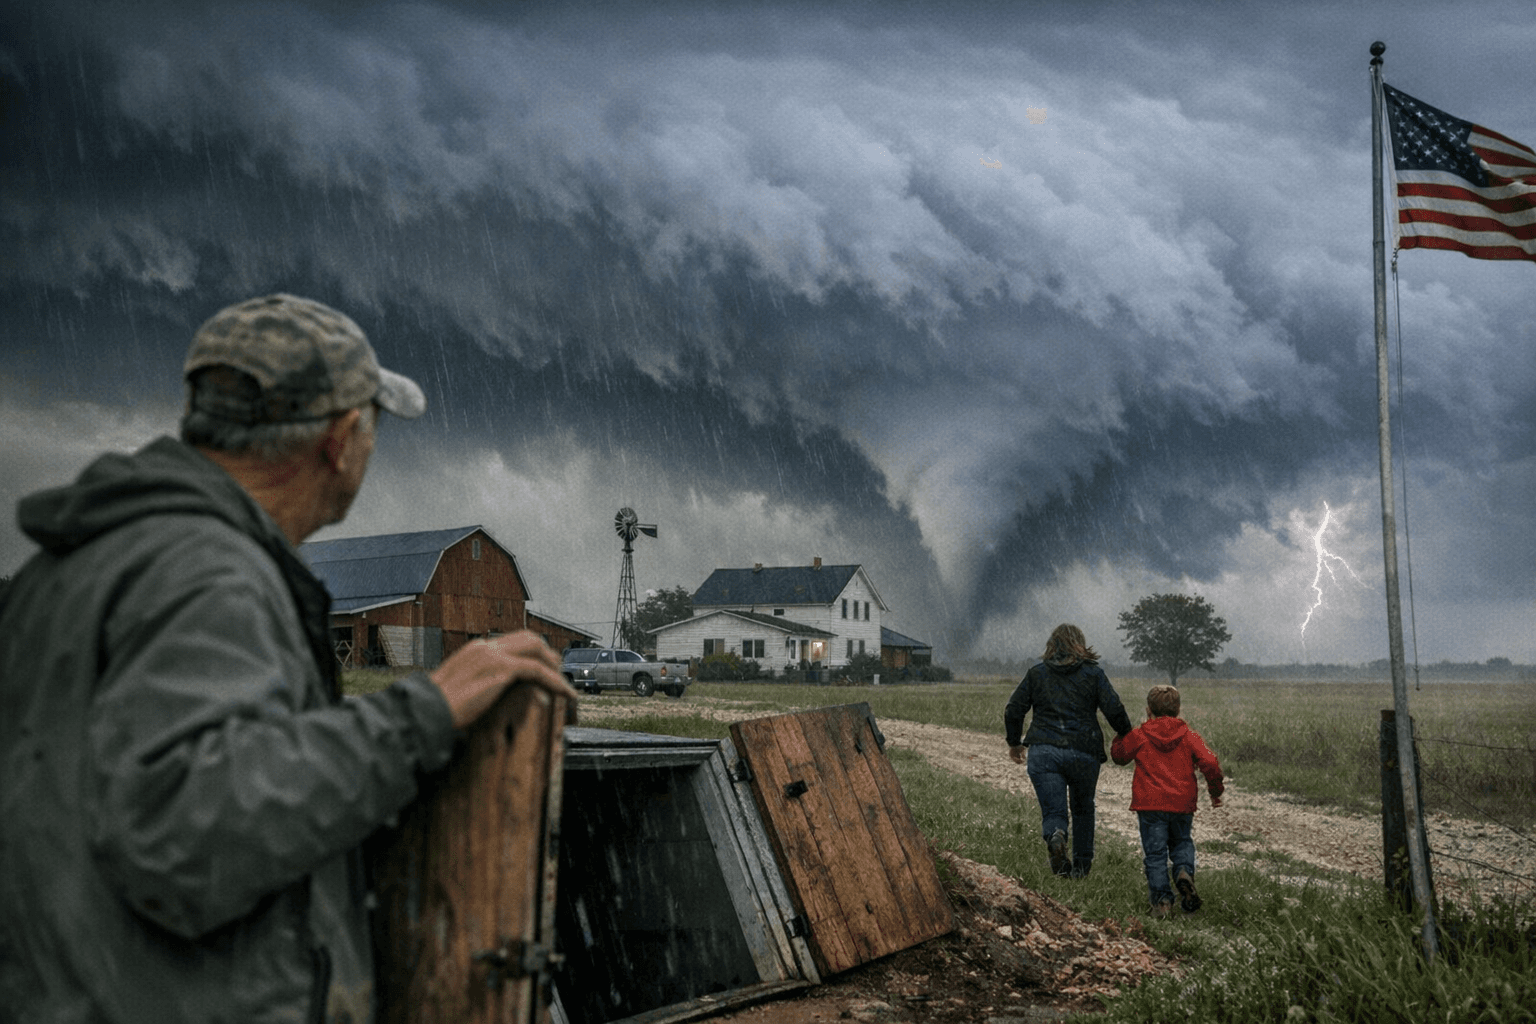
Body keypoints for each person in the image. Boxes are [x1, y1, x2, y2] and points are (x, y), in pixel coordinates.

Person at [0, 294, 580, 1022]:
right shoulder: (210, 577)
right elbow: (187, 836)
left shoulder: (67, 571)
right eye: (373, 428)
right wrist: (420, 715)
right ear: (340, 441)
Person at [1004, 624, 1132, 878]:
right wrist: (1126, 733)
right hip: (1084, 752)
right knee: (1083, 808)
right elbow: (1114, 708)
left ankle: (1056, 835)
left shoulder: (1036, 674)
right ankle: (1081, 869)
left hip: (1044, 751)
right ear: (1080, 644)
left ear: (1052, 645)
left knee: (1054, 811)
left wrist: (1014, 742)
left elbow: (1013, 709)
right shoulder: (1094, 674)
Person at [1110, 684, 1225, 919]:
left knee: (1155, 854)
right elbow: (1210, 762)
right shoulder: (1189, 735)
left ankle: (1162, 902)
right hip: (1182, 804)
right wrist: (1215, 791)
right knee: (1182, 842)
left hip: (1150, 804)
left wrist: (1120, 735)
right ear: (1178, 710)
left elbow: (1119, 757)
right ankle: (1183, 873)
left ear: (1148, 710)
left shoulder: (1140, 735)